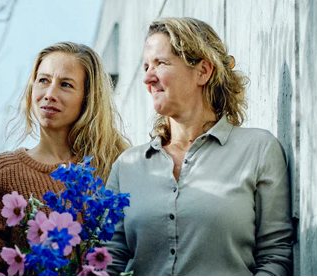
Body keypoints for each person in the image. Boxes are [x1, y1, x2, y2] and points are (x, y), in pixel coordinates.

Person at [104, 17, 293, 276]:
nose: (147, 77)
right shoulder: (126, 166)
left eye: (160, 63)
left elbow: (275, 255)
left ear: (203, 71)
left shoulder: (259, 150)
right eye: (146, 66)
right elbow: (108, 261)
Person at [0, 42, 131, 275]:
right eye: (43, 80)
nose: (50, 95)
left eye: (66, 85)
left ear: (88, 97)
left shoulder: (118, 167)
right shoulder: (0, 172)